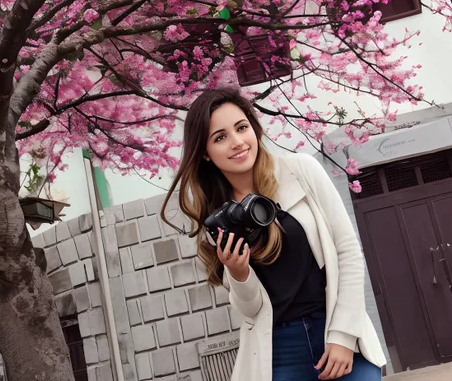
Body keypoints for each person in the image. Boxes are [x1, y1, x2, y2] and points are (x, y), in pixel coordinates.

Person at [161, 87, 386, 381]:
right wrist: (238, 273)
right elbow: (251, 310)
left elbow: (348, 253)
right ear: (205, 153)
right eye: (220, 137)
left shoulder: (300, 170)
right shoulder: (218, 220)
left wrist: (343, 335)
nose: (237, 142)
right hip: (277, 352)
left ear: (254, 129)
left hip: (335, 332)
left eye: (241, 128)